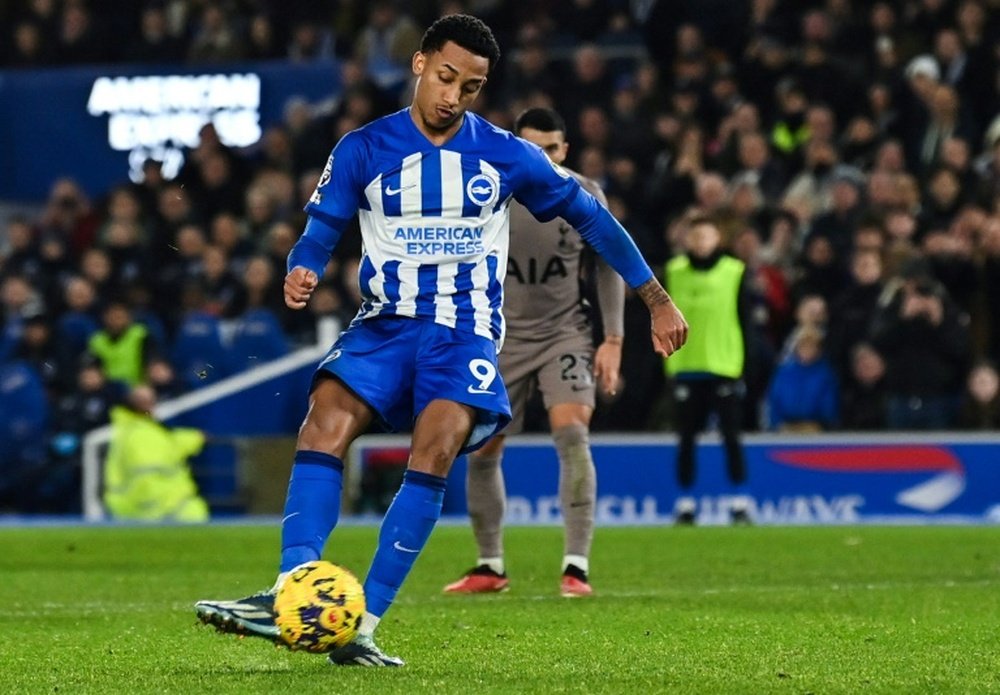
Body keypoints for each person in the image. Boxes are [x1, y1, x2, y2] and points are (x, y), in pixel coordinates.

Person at [195, 14, 687, 668]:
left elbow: (594, 220)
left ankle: (362, 622)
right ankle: (292, 590)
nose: (454, 95)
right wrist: (304, 263)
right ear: (420, 63)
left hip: (464, 335)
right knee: (323, 421)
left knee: (435, 446)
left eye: (472, 86)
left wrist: (655, 298)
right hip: (384, 325)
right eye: (447, 76)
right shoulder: (363, 148)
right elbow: (324, 223)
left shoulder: (508, 155)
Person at [441, 107, 625, 599]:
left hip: (564, 332)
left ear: (565, 150)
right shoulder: (487, 191)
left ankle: (576, 567)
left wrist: (613, 338)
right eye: (532, 148)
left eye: (551, 148)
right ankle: (489, 565)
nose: (541, 157)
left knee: (572, 435)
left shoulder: (584, 194)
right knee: (482, 448)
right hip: (498, 336)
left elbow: (609, 264)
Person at [664, 216, 750, 525]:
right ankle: (685, 504)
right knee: (686, 438)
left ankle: (739, 502)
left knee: (731, 436)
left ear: (718, 239)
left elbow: (746, 322)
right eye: (696, 236)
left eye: (707, 236)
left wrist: (745, 367)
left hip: (724, 366)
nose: (701, 242)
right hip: (686, 367)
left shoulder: (734, 272)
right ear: (687, 239)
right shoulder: (673, 272)